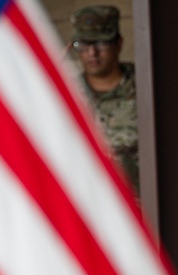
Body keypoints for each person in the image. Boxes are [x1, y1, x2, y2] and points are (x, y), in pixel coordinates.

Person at [69, 5, 139, 195]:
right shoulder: (67, 95)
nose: (92, 52)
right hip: (86, 207)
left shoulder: (146, 89)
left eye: (101, 43)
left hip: (140, 208)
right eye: (83, 45)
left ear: (118, 44)